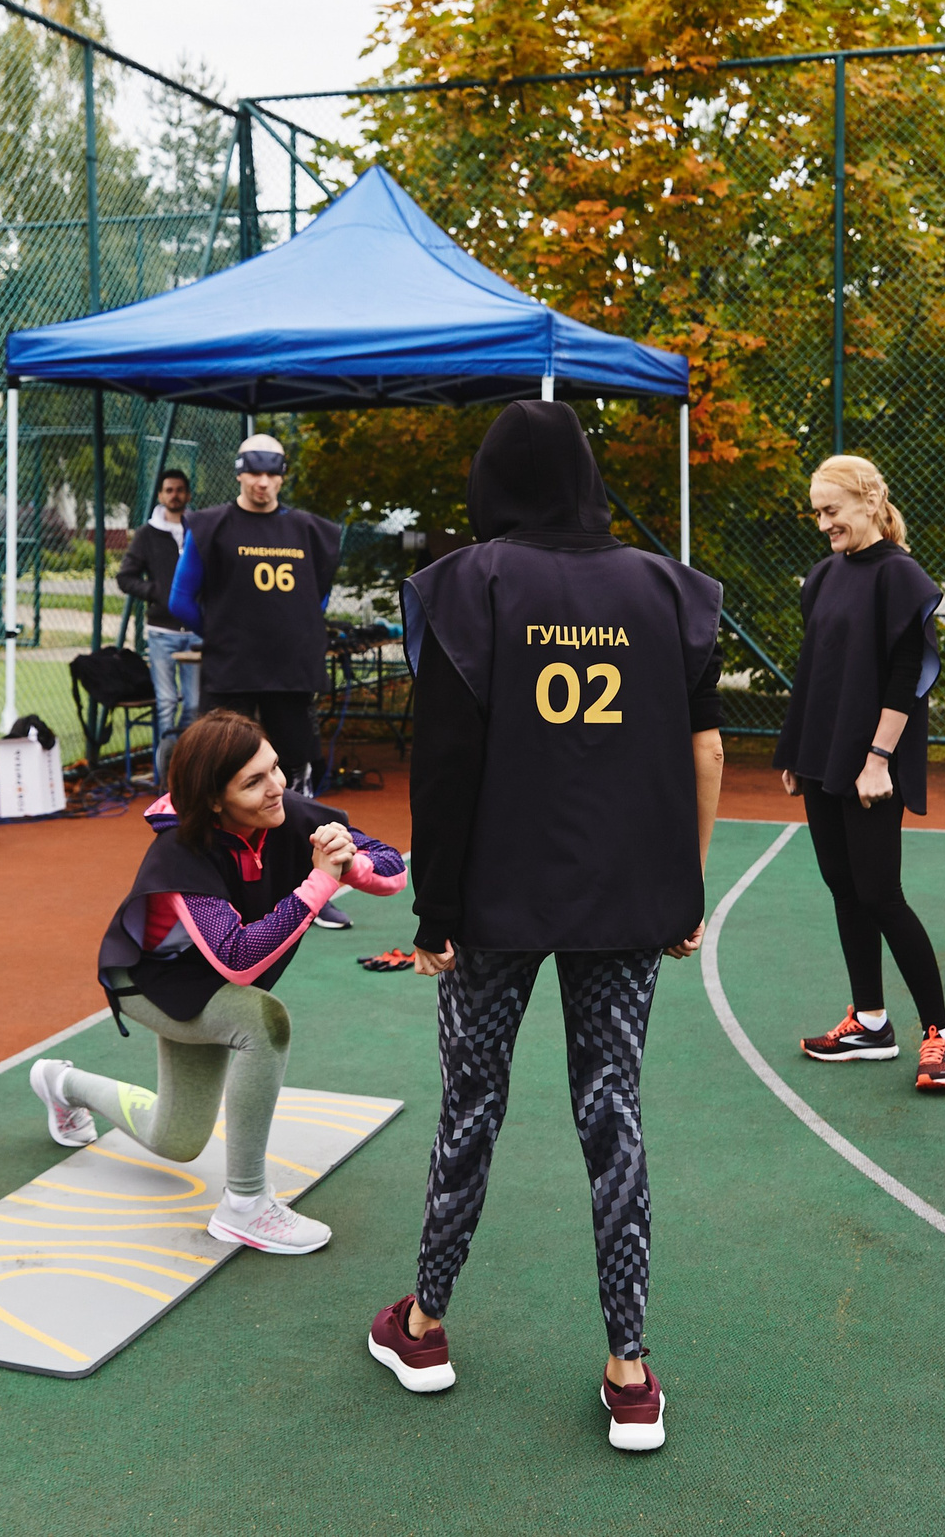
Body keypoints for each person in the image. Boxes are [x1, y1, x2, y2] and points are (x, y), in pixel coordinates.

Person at [365, 400, 723, 1455]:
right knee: (613, 1114)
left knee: (470, 1104)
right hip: (624, 898)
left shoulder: (465, 585)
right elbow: (703, 756)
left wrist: (435, 915)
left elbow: (444, 764)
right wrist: (684, 891)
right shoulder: (671, 589)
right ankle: (629, 1371)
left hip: (493, 900)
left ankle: (424, 1325)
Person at [30, 708, 406, 1253]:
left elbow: (394, 871)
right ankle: (245, 1205)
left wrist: (351, 865)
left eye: (275, 768)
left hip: (204, 979)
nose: (277, 787)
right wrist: (322, 880)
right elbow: (239, 960)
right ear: (213, 799)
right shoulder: (182, 851)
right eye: (254, 781)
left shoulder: (287, 814)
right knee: (262, 1020)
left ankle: (61, 1084)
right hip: (149, 983)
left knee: (175, 1139)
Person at [774, 455, 945, 1092]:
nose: (824, 523)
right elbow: (817, 671)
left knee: (881, 893)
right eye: (818, 512)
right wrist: (798, 754)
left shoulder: (900, 576)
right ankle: (870, 1021)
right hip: (824, 758)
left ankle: (943, 1035)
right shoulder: (824, 577)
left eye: (832, 510)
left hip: (870, 765)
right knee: (843, 886)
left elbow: (905, 677)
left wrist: (877, 759)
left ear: (868, 502)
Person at [167, 434, 350, 925]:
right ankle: (207, 882)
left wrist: (288, 632)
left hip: (290, 672)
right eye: (255, 472)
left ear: (282, 475)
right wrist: (228, 632)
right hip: (231, 669)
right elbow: (181, 599)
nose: (264, 482)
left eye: (273, 473)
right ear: (240, 472)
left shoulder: (312, 531)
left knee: (289, 779)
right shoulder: (210, 526)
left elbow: (318, 597)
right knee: (216, 772)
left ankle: (307, 883)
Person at [116, 467, 199, 789]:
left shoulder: (198, 529)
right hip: (162, 633)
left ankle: (185, 771)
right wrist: (156, 592)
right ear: (161, 495)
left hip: (195, 631)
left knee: (193, 704)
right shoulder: (147, 534)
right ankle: (166, 781)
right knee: (166, 703)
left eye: (180, 489)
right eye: (169, 490)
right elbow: (125, 577)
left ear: (187, 495)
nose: (174, 495)